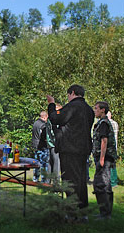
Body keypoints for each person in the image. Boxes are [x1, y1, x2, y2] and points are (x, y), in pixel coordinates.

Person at [47, 84, 94, 219]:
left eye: (68, 95)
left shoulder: (73, 106)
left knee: (69, 180)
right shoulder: (89, 110)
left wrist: (51, 104)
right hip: (83, 149)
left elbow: (55, 118)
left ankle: (72, 213)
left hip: (70, 149)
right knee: (81, 180)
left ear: (72, 93)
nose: (68, 98)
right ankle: (82, 211)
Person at [92, 101, 117, 220]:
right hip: (103, 157)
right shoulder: (101, 122)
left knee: (102, 184)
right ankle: (104, 212)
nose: (94, 110)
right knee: (101, 184)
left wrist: (101, 159)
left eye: (96, 108)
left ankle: (106, 214)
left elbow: (104, 141)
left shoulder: (103, 123)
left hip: (105, 158)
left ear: (103, 110)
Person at [32, 111, 49, 183]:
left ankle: (35, 178)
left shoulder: (35, 123)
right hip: (42, 145)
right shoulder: (43, 125)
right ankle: (43, 179)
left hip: (35, 145)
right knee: (43, 163)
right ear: (44, 117)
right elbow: (44, 136)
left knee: (36, 163)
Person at [107, 111, 119, 187]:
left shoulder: (107, 123)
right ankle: (113, 181)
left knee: (109, 165)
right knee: (112, 164)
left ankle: (112, 182)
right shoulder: (115, 123)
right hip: (114, 147)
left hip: (109, 147)